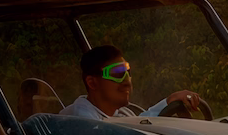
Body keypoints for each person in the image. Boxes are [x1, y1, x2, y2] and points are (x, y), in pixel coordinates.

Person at [59, 44, 204, 121]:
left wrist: (171, 100)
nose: (127, 81)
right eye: (117, 74)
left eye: (128, 73)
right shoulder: (78, 120)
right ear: (92, 83)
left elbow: (141, 123)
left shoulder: (118, 113)